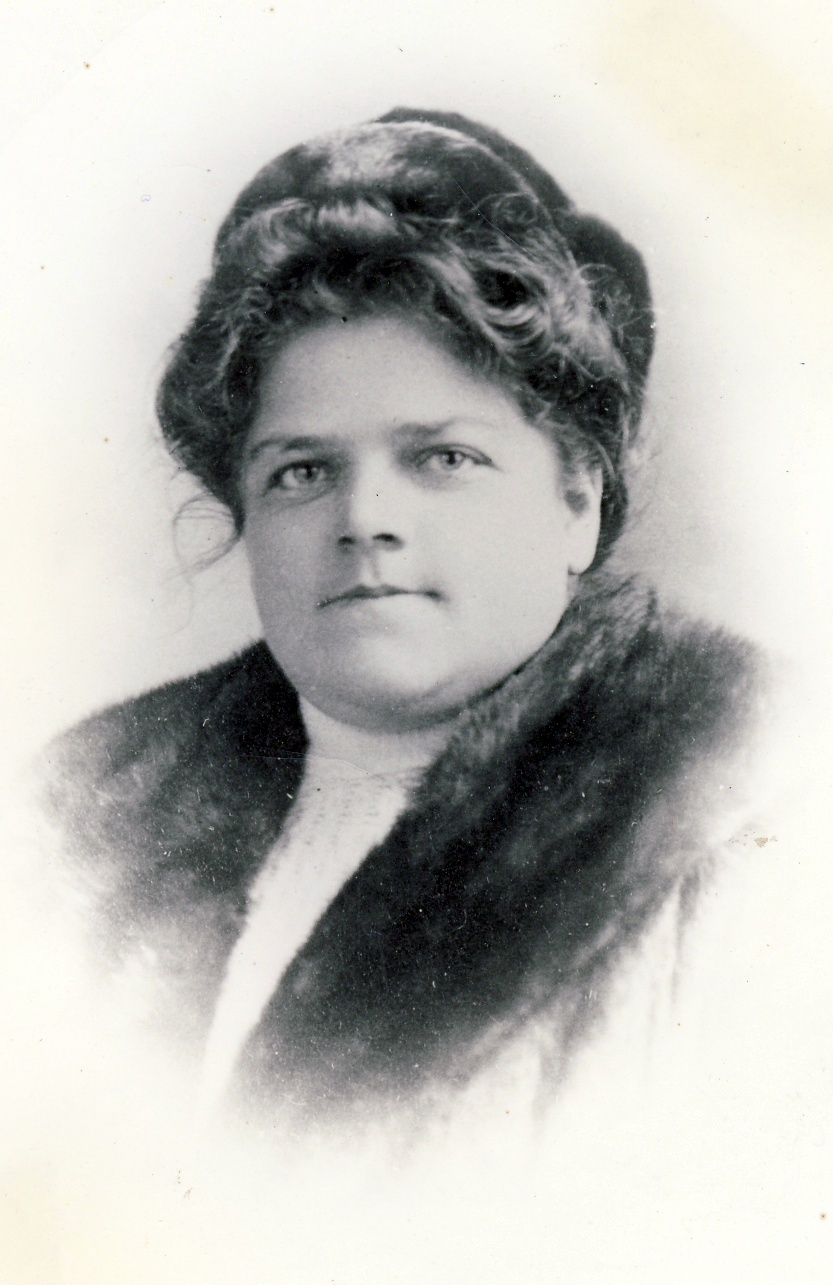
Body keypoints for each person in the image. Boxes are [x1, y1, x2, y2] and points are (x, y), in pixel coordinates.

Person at [42, 107, 761, 1128]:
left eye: (441, 458)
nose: (363, 518)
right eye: (302, 471)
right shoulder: (78, 811)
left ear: (577, 499)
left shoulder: (748, 805)